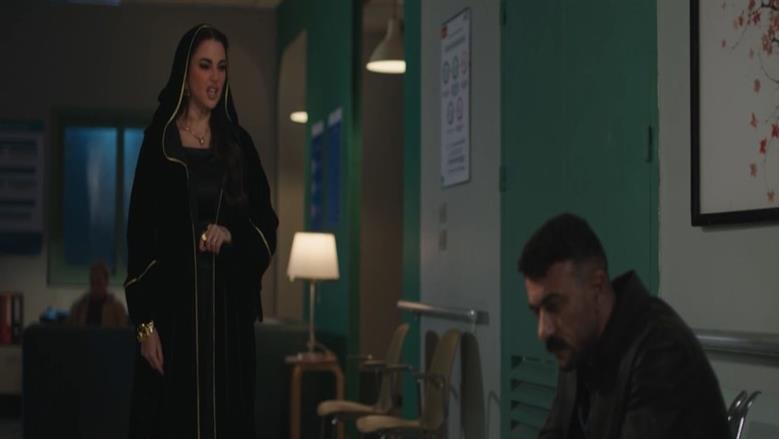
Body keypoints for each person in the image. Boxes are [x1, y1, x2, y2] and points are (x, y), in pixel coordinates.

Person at [124, 24, 278, 439]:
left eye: (222, 67)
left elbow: (266, 224)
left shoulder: (239, 145)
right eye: (205, 66)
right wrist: (145, 326)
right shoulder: (160, 144)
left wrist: (231, 236)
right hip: (174, 317)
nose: (214, 78)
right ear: (185, 72)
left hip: (228, 320)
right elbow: (139, 236)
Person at [518, 213, 729, 439]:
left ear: (596, 287)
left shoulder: (662, 350)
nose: (543, 330)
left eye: (553, 306)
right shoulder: (578, 341)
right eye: (537, 311)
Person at [68, 261, 128, 327]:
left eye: (99, 283)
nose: (95, 287)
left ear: (106, 282)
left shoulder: (116, 308)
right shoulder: (80, 306)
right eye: (92, 282)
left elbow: (123, 330)